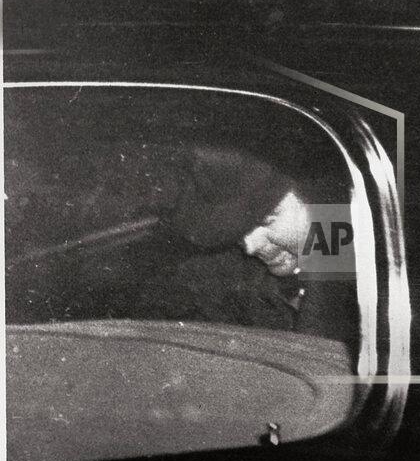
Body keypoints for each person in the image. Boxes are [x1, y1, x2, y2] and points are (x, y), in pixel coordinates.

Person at [136, 147, 359, 350]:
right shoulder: (228, 272)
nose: (250, 247)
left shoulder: (368, 278)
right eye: (238, 231)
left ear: (319, 200)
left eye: (267, 221)